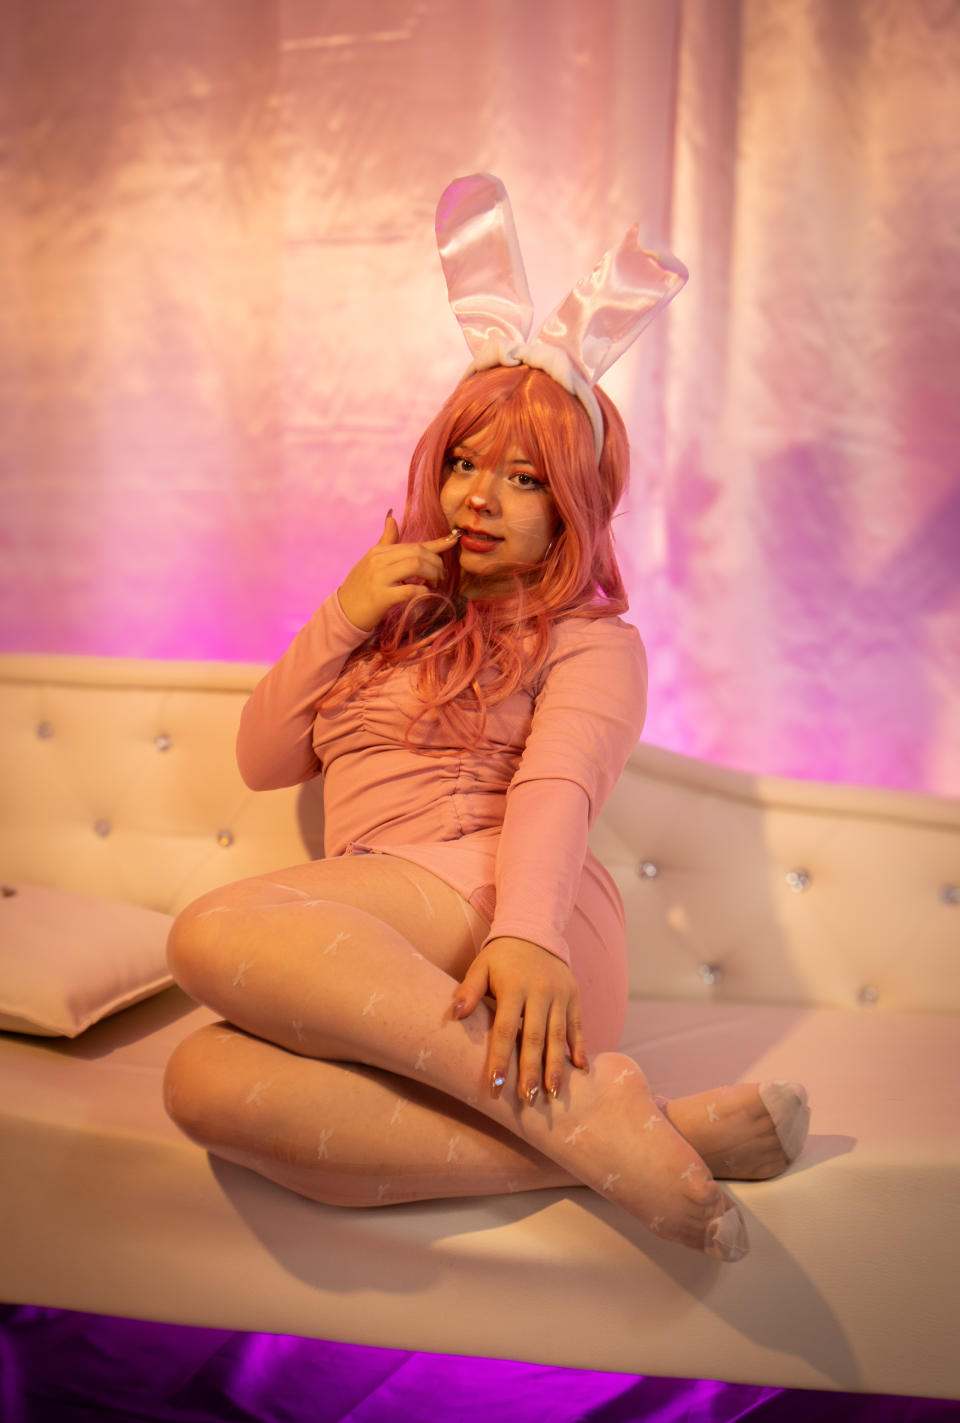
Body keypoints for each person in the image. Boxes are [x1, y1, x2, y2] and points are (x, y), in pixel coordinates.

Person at [163, 176, 809, 1263]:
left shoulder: (592, 639)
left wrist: (527, 936)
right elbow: (263, 757)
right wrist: (347, 610)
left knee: (209, 931)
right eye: (464, 464)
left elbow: (557, 787)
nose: (477, 495)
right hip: (387, 937)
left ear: (574, 505)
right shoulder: (391, 616)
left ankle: (577, 1102)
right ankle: (617, 1130)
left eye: (522, 478)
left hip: (520, 921)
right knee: (201, 1082)